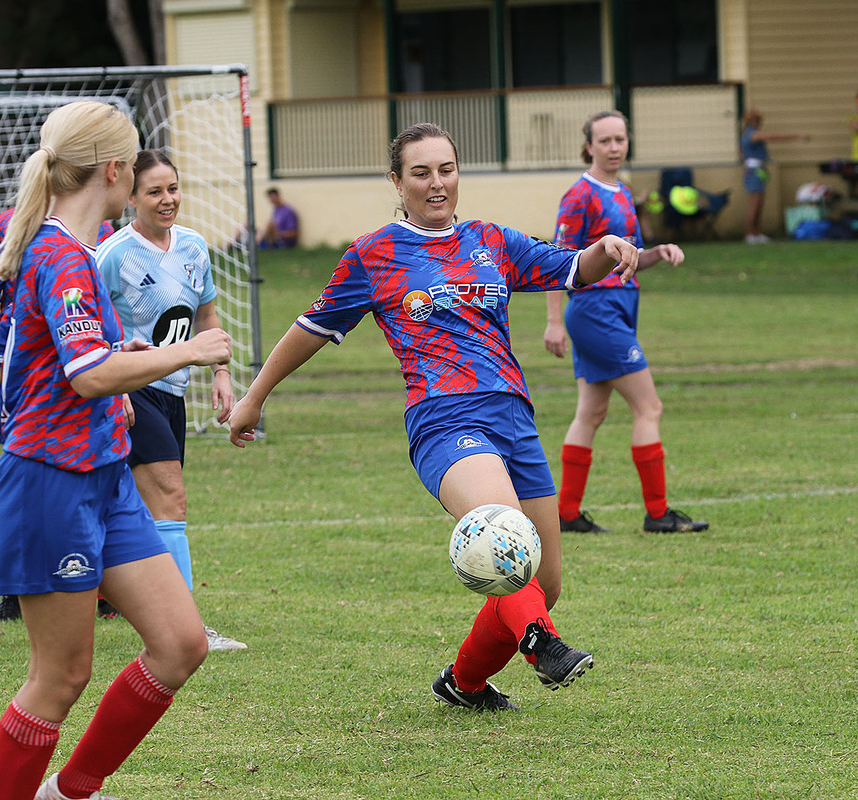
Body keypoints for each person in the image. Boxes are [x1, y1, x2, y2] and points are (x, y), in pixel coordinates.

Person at [228, 122, 637, 711]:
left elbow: (571, 268)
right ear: (398, 181)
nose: (436, 183)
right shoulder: (373, 254)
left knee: (544, 584)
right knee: (502, 531)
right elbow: (311, 329)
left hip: (513, 417)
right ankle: (543, 644)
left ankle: (464, 683)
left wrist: (606, 249)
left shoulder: (490, 239)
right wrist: (255, 396)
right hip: (444, 420)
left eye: (445, 169)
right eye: (421, 173)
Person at [0, 100, 232, 799]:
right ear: (117, 171)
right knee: (60, 678)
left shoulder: (81, 254)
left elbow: (63, 359)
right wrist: (191, 350)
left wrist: (127, 351)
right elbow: (85, 374)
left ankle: (71, 790)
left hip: (106, 477)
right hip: (50, 486)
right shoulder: (60, 255)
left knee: (181, 643)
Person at [97, 150, 246, 652]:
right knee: (170, 496)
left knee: (137, 505)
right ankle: (185, 627)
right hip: (133, 387)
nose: (168, 200)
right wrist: (115, 389)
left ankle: (96, 586)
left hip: (173, 391)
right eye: (155, 191)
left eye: (173, 188)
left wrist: (220, 373)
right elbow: (92, 334)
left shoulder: (194, 247)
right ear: (131, 198)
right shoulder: (112, 255)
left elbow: (207, 317)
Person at [544, 110, 708, 535]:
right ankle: (658, 513)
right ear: (589, 147)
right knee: (648, 406)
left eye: (620, 139)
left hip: (615, 310)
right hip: (594, 313)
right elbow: (555, 263)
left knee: (592, 412)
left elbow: (627, 262)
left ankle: (566, 513)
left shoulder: (623, 191)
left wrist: (658, 252)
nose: (614, 147)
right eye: (605, 141)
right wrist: (553, 323)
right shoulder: (579, 196)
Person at [0, 207, 115, 624]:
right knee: (25, 472)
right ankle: (14, 590)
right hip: (27, 376)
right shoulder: (9, 225)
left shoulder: (103, 226)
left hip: (87, 368)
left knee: (101, 471)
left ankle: (102, 584)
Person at [739, 108, 809, 243]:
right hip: (753, 171)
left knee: (759, 204)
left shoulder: (748, 134)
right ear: (753, 121)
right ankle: (749, 234)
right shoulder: (751, 134)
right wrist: (797, 136)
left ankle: (756, 233)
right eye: (759, 120)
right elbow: (772, 137)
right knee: (754, 204)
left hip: (759, 170)